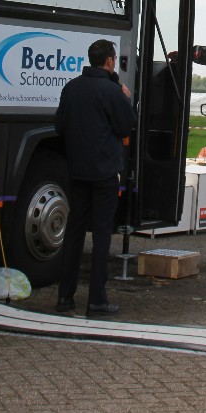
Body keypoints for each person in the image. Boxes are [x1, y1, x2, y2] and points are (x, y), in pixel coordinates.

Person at [55, 38, 136, 316]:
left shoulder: (71, 88)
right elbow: (125, 126)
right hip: (104, 174)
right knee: (101, 235)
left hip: (77, 171)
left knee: (74, 233)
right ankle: (96, 300)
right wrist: (125, 98)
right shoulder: (112, 91)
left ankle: (65, 297)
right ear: (110, 61)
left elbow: (60, 125)